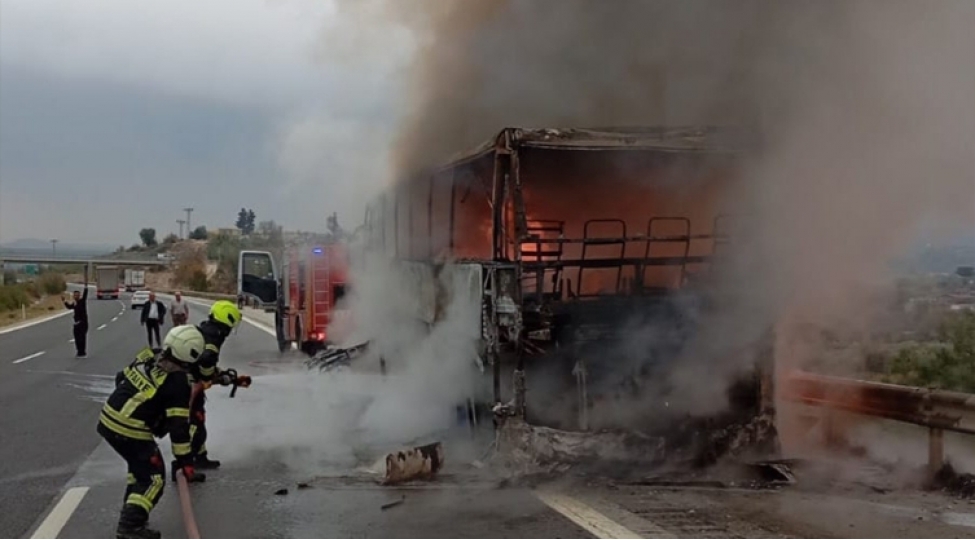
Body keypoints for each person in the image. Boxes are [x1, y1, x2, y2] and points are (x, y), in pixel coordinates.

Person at [97, 325, 207, 539]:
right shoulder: (178, 383)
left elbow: (121, 378)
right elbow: (178, 427)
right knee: (154, 478)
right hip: (131, 429)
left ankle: (134, 511)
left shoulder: (148, 355)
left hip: (109, 418)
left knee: (139, 471)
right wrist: (185, 462)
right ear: (191, 355)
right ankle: (130, 526)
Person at [188, 300, 242, 469]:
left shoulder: (208, 329)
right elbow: (206, 364)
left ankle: (200, 456)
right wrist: (215, 378)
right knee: (195, 422)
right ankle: (188, 459)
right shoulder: (214, 336)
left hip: (191, 381)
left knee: (198, 421)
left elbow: (204, 362)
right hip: (190, 385)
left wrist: (218, 374)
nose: (231, 329)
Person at [63, 275, 89, 358]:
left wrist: (86, 286)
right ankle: (78, 351)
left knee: (82, 338)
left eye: (77, 295)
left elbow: (85, 295)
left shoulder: (82, 302)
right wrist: (64, 301)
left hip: (83, 323)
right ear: (74, 296)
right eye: (75, 295)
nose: (76, 296)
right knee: (77, 338)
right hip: (76, 324)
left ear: (79, 296)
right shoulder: (75, 303)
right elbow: (69, 307)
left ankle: (83, 352)